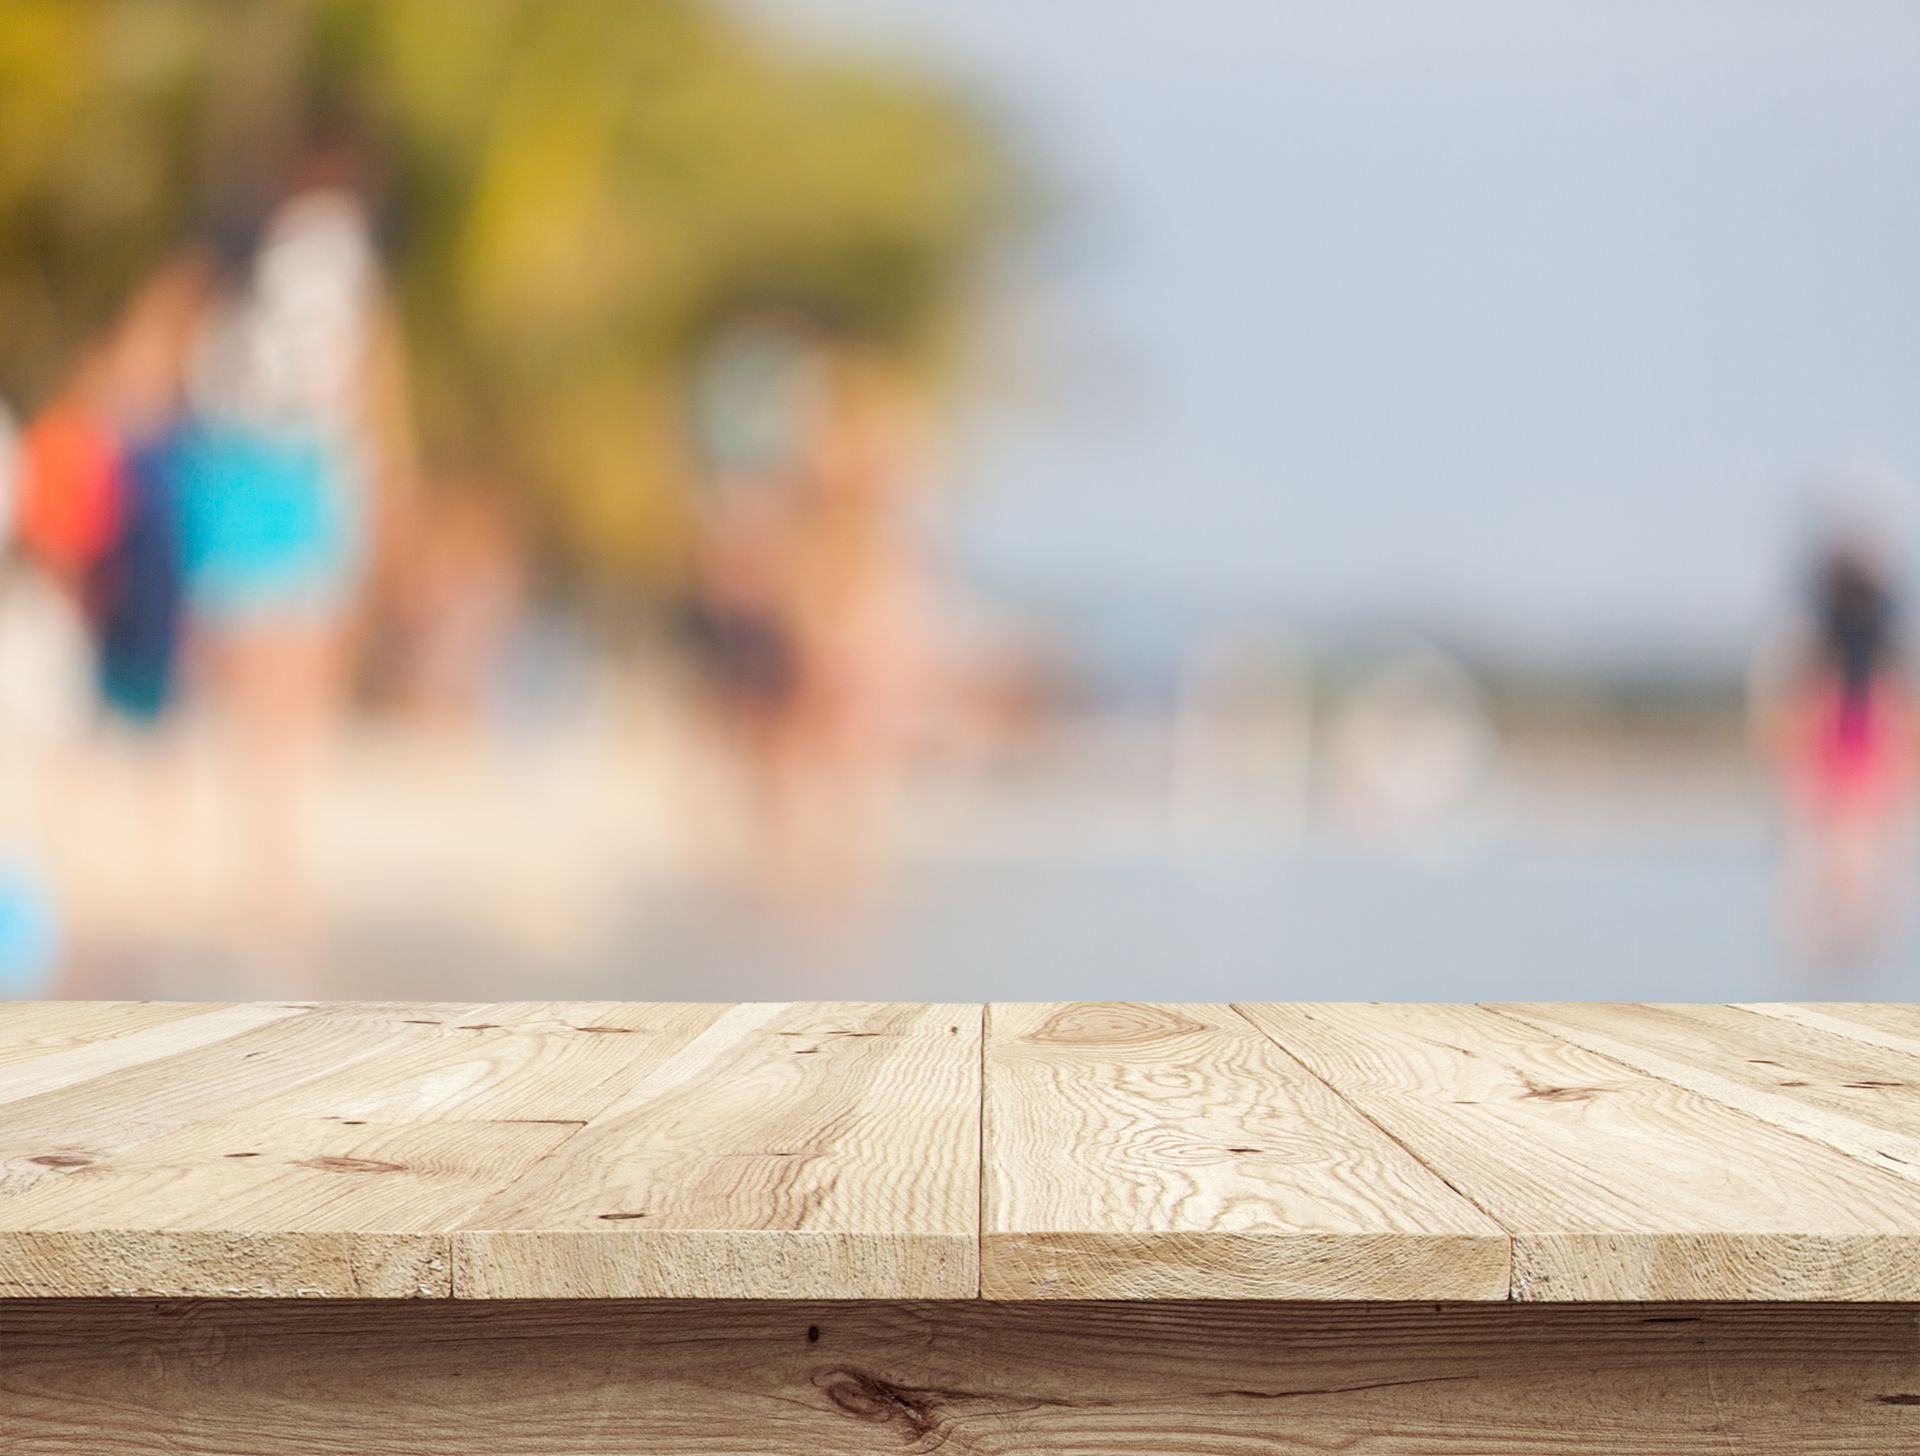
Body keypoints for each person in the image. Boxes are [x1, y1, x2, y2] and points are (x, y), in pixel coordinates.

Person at [169, 133, 415, 967]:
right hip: (303, 473)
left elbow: (188, 347)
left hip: (230, 468)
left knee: (248, 694)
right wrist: (387, 487)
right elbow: (364, 382)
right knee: (296, 697)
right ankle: (283, 877)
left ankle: (256, 870)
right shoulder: (343, 252)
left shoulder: (240, 243)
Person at [1758, 535, 1917, 967]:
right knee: (1843, 843)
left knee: (1842, 842)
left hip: (1853, 726)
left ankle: (1845, 933)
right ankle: (1844, 932)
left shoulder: (1845, 624)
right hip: (1848, 725)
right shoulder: (1859, 623)